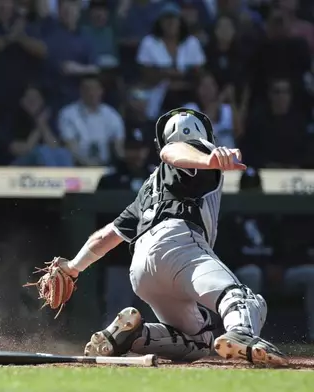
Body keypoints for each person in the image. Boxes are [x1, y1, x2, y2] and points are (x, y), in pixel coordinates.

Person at [50, 107, 288, 367]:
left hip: (142, 269)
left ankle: (132, 336)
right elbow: (171, 152)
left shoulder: (149, 187)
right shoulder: (198, 151)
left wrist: (74, 267)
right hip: (179, 243)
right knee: (244, 300)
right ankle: (242, 333)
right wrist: (208, 158)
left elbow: (107, 236)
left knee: (197, 341)